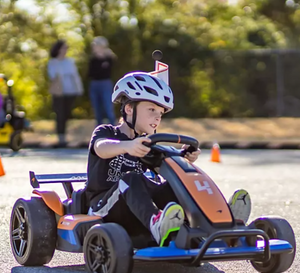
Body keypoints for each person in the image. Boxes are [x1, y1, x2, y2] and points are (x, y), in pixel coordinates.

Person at [85, 72, 252, 246]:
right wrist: (127, 146)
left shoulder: (148, 144)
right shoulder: (107, 132)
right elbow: (101, 147)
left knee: (175, 183)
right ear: (129, 109)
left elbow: (165, 166)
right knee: (131, 179)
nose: (157, 117)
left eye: (160, 113)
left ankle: (221, 221)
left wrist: (183, 158)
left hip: (137, 207)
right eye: (151, 110)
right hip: (103, 207)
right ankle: (157, 225)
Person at [47, 40, 83, 145]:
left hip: (71, 91)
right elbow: (53, 76)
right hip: (58, 92)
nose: (65, 50)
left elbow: (75, 76)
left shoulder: (70, 61)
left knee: (67, 113)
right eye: (64, 48)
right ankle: (61, 138)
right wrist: (58, 63)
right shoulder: (52, 62)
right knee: (59, 114)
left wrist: (79, 88)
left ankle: (65, 134)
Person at [87, 36, 116, 126]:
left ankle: (113, 128)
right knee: (97, 109)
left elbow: (108, 70)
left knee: (108, 107)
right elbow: (91, 73)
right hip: (95, 84)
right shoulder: (93, 59)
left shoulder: (109, 58)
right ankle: (99, 129)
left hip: (105, 83)